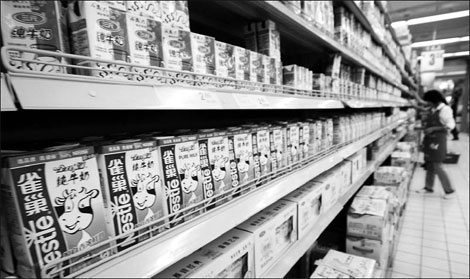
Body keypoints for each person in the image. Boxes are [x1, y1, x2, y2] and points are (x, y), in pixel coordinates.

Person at [416, 89, 456, 199]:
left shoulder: (445, 109)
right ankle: (428, 187)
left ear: (433, 100)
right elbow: (423, 108)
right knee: (429, 165)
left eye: (428, 101)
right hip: (430, 141)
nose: (427, 103)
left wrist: (434, 128)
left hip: (438, 141)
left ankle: (449, 191)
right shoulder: (433, 109)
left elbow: (451, 125)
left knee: (438, 166)